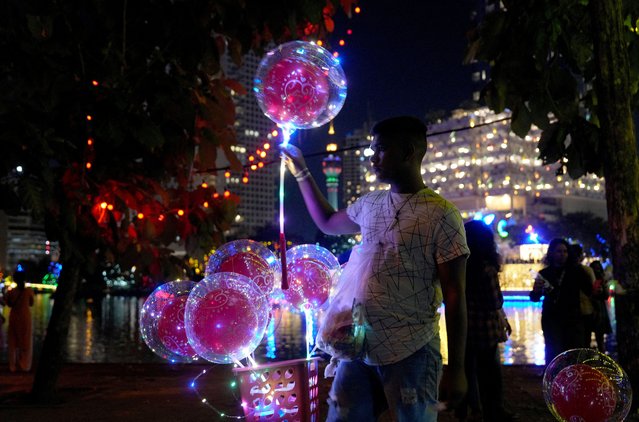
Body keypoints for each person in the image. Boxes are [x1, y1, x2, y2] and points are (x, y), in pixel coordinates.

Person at [281, 116, 469, 421]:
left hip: (413, 350)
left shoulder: (442, 215)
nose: (373, 157)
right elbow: (328, 223)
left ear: (408, 152)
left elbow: (456, 295)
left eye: (380, 149)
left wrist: (457, 368)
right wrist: (301, 171)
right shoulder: (370, 204)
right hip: (358, 346)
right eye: (371, 149)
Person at [457, 221, 514, 422]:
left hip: (463, 327)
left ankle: (469, 409)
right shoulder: (487, 268)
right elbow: (494, 301)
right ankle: (493, 410)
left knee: (467, 370)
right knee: (490, 373)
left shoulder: (459, 265)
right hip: (485, 329)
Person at [530, 238, 592, 365]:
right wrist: (536, 290)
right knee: (553, 352)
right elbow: (535, 297)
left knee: (574, 354)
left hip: (572, 318)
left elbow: (589, 291)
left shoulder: (576, 271)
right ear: (551, 253)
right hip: (552, 318)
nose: (562, 254)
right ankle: (554, 380)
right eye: (559, 251)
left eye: (565, 251)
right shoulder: (544, 273)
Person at [5, 270, 35, 372]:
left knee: (13, 341)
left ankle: (12, 366)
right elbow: (31, 303)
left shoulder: (11, 292)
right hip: (25, 317)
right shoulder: (29, 291)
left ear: (14, 279)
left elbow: (8, 304)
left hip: (14, 317)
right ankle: (25, 365)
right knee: (26, 341)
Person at [588, 260, 612, 353]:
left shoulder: (601, 281)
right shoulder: (589, 280)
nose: (596, 271)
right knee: (588, 338)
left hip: (600, 311)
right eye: (594, 269)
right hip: (592, 310)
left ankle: (601, 359)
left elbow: (606, 296)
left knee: (600, 338)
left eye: (598, 268)